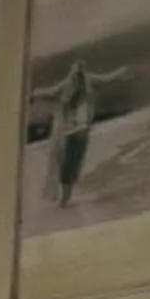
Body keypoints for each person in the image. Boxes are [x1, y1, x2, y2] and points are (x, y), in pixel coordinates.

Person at [39, 59, 100, 206]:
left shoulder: (79, 95)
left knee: (69, 166)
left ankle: (64, 198)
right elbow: (51, 92)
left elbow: (52, 92)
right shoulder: (74, 93)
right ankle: (64, 198)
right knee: (68, 166)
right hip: (72, 133)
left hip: (76, 133)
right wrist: (37, 93)